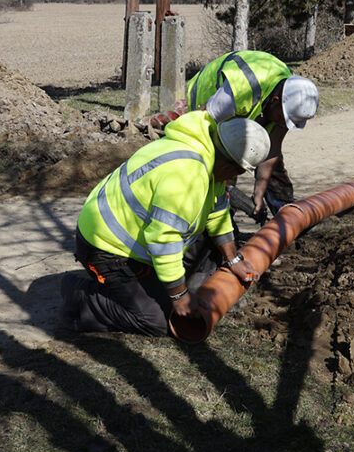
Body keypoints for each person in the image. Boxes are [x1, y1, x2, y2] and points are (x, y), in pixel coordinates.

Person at [61, 112, 271, 335]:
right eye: (238, 171)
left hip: (137, 240)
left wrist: (233, 258)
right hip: (106, 247)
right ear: (233, 165)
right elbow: (164, 240)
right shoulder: (185, 174)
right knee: (156, 321)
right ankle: (79, 293)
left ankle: (172, 286)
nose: (236, 175)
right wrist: (179, 297)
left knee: (212, 242)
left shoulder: (208, 152)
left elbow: (217, 213)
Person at [186, 50, 319, 219]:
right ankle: (218, 221)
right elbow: (202, 122)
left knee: (264, 155)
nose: (284, 124)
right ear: (275, 101)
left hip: (252, 107)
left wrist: (259, 191)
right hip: (207, 102)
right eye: (284, 119)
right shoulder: (242, 89)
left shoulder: (289, 100)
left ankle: (287, 214)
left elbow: (271, 150)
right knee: (226, 164)